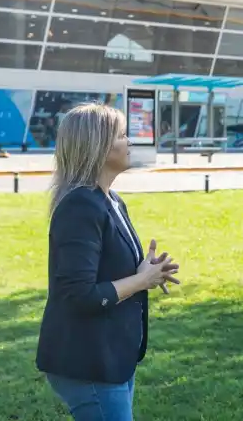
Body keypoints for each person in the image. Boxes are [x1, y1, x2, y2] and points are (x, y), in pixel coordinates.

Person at [36, 102, 180, 420]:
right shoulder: (80, 206)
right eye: (123, 135)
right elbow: (80, 294)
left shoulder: (110, 199)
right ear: (98, 145)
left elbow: (105, 272)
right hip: (88, 362)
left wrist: (145, 270)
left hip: (111, 356)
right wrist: (142, 280)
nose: (130, 142)